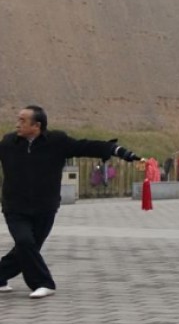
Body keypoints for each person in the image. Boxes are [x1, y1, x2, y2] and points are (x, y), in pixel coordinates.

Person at [0, 105, 140, 298]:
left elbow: (85, 146)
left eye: (22, 121)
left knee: (27, 248)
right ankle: (44, 283)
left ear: (37, 125)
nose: (17, 124)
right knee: (25, 242)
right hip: (15, 207)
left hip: (45, 207)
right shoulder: (9, 143)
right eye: (18, 119)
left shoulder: (57, 142)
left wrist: (117, 150)